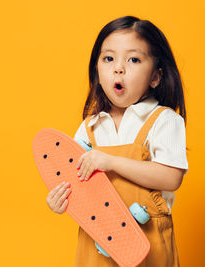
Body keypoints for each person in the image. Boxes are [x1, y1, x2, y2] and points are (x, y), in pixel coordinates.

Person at [46, 15, 188, 267]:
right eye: (108, 58)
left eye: (133, 59)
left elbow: (171, 177)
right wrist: (61, 200)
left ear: (155, 76)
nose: (118, 68)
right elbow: (76, 182)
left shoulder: (164, 120)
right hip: (97, 241)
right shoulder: (90, 126)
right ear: (97, 70)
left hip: (149, 242)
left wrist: (109, 161)